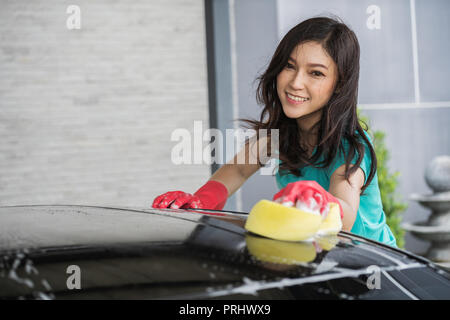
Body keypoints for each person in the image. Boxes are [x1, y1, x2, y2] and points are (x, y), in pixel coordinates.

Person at [152, 16, 397, 247]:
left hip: (377, 268)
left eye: (316, 73)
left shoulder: (352, 146)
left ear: (339, 85)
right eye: (289, 66)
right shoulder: (276, 137)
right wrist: (200, 201)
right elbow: (237, 170)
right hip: (322, 257)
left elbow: (346, 214)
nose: (295, 82)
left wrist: (320, 199)